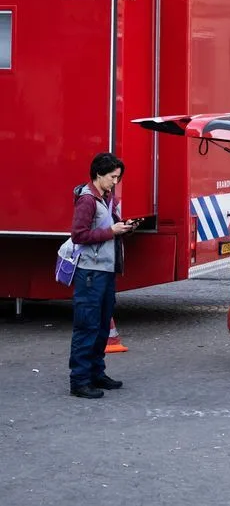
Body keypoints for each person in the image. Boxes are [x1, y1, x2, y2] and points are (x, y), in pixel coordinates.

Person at [69, 152, 135, 399]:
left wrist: (123, 229)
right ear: (99, 174)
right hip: (90, 273)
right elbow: (79, 235)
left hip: (105, 271)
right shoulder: (87, 200)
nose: (115, 182)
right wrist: (111, 231)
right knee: (87, 326)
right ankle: (80, 380)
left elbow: (108, 230)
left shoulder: (107, 198)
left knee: (101, 328)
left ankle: (97, 373)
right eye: (112, 177)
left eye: (118, 177)